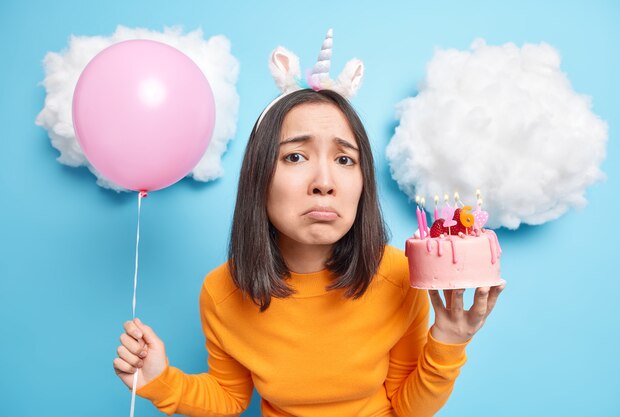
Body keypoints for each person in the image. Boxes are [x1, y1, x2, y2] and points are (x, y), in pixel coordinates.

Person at [113, 34, 505, 416]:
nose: (324, 181)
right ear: (258, 177)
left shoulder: (399, 275)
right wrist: (160, 380)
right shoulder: (221, 293)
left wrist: (449, 341)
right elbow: (229, 397)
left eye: (344, 159)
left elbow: (406, 408)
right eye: (296, 157)